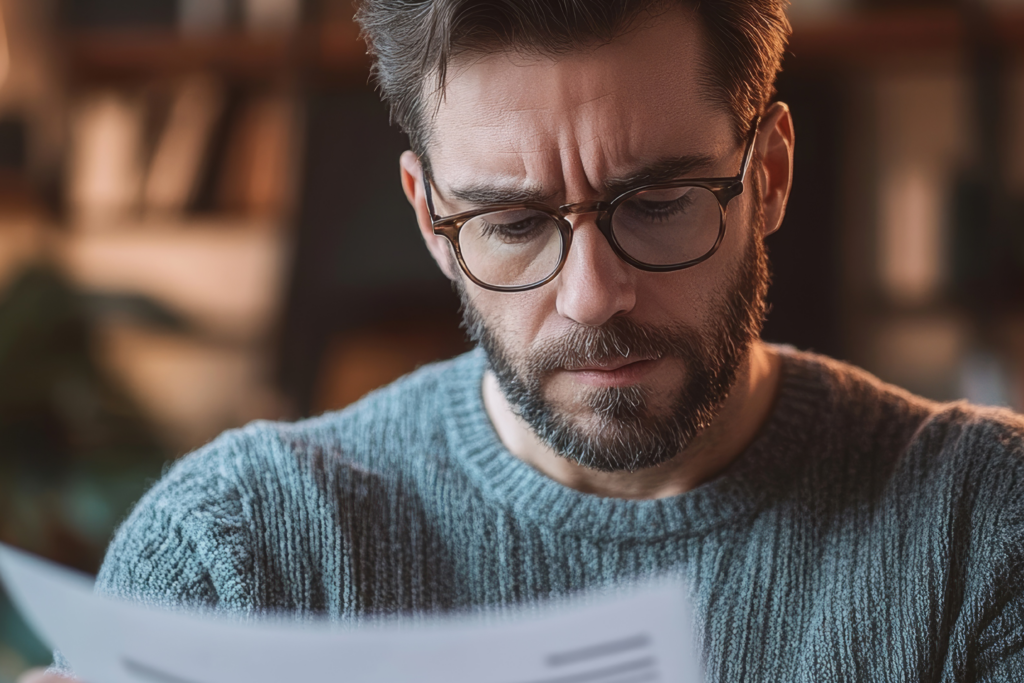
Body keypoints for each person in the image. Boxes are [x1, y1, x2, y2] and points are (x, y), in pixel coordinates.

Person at [25, 1, 1024, 681]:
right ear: (430, 220)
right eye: (511, 223)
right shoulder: (243, 553)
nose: (592, 297)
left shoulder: (982, 524)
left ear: (766, 174)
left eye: (658, 202)